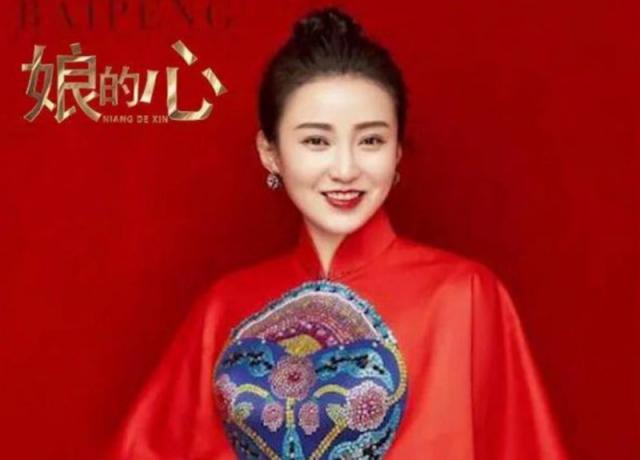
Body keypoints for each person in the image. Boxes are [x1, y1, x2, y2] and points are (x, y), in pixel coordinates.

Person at [107, 6, 568, 460]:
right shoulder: (223, 307)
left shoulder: (463, 295)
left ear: (397, 150)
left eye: (371, 140)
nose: (346, 169)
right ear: (270, 152)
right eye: (316, 141)